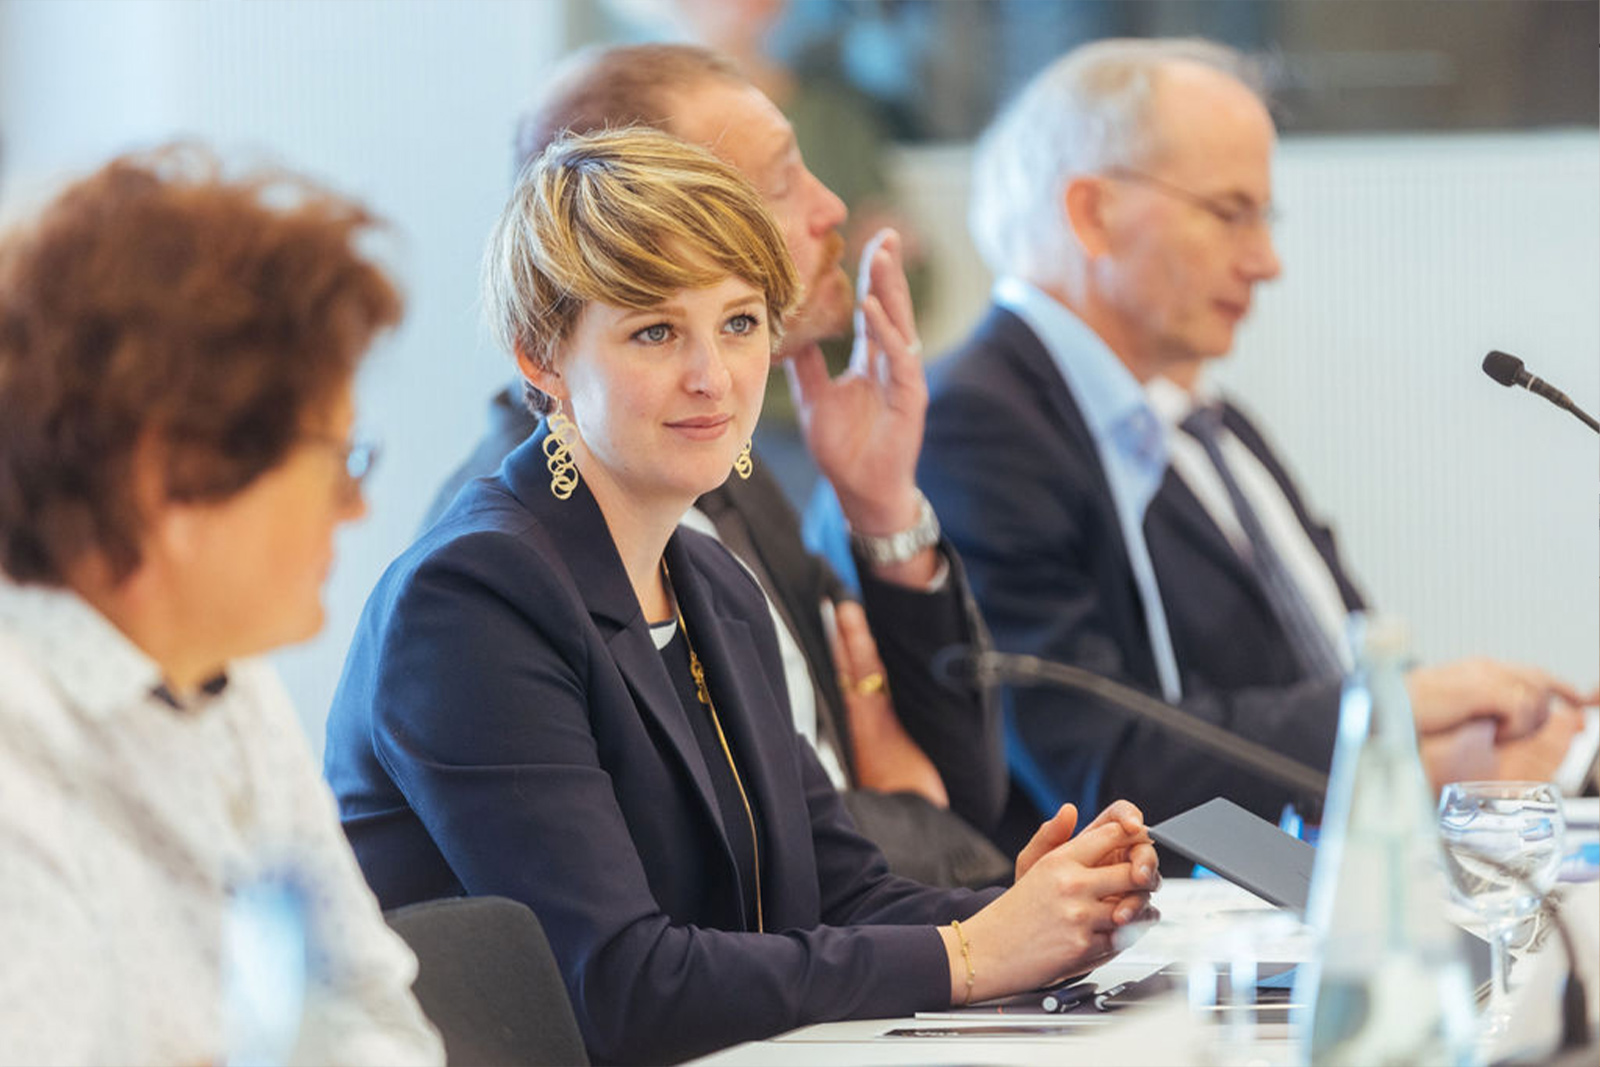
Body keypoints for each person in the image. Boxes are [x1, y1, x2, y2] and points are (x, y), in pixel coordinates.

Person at [325, 128, 1159, 1066]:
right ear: (540, 355)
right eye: (654, 331)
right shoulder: (472, 600)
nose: (712, 376)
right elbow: (621, 985)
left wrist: (1036, 912)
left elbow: (840, 895)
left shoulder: (713, 582)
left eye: (739, 322)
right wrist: (972, 952)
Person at [912, 37, 1588, 844]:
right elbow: (1091, 763)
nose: (1267, 262)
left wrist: (1459, 733)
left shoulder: (1204, 418)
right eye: (1231, 214)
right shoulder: (974, 425)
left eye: (1264, 218)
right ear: (1094, 213)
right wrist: (1400, 740)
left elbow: (1337, 661)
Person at [423, 43, 1009, 889]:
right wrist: (936, 834)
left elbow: (964, 790)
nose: (831, 206)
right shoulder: (494, 560)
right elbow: (711, 873)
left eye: (736, 326)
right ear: (644, 219)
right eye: (776, 183)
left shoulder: (724, 469)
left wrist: (883, 513)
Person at [0, 147, 443, 1065]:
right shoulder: (19, 753)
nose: (356, 507)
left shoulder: (226, 684)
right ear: (177, 474)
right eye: (339, 459)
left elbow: (375, 1010)